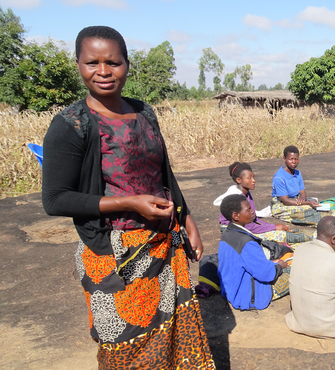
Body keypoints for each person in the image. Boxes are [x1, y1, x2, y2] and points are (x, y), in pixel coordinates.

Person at [41, 26, 214, 368]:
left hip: (164, 244)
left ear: (127, 65)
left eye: (113, 62)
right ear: (78, 63)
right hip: (112, 255)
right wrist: (129, 202)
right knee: (126, 348)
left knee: (174, 338)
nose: (103, 71)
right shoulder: (72, 125)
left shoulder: (144, 113)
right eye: (92, 62)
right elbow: (56, 199)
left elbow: (164, 173)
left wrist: (187, 218)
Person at [216, 194, 291, 310]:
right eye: (248, 209)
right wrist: (279, 266)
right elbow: (266, 274)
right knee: (297, 270)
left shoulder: (227, 233)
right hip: (248, 296)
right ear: (236, 216)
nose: (253, 211)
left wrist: (270, 263)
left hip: (231, 290)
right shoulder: (246, 242)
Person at [214, 162, 314, 246]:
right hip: (235, 232)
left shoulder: (246, 193)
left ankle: (311, 236)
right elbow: (248, 226)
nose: (253, 180)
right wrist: (273, 227)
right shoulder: (237, 199)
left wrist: (273, 226)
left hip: (245, 228)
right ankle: (313, 237)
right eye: (249, 178)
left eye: (253, 177)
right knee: (280, 238)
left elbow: (254, 219)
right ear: (239, 180)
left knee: (283, 233)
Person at [271, 145, 326, 226]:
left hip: (296, 201)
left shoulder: (298, 173)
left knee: (316, 207)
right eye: (291, 159)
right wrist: (306, 203)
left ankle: (330, 220)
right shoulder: (279, 178)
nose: (294, 162)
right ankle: (325, 224)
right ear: (284, 159)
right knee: (305, 212)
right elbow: (285, 201)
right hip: (282, 205)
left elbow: (303, 192)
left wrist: (302, 199)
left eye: (296, 159)